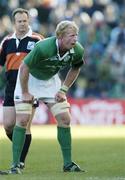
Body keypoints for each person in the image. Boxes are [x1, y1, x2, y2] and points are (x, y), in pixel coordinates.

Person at [8, 20, 85, 174]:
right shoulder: (44, 47)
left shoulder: (77, 50)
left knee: (65, 118)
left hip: (51, 81)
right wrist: (25, 92)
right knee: (23, 120)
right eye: (71, 36)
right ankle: (15, 166)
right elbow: (24, 67)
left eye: (76, 35)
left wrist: (63, 89)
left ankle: (68, 164)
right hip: (29, 79)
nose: (75, 39)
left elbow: (76, 68)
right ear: (60, 37)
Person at [0, 8, 44, 170]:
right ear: (14, 23)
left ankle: (19, 162)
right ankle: (20, 149)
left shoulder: (37, 39)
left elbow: (46, 63)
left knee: (24, 124)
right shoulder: (6, 42)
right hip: (11, 88)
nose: (22, 24)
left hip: (30, 88)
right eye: (19, 21)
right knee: (8, 125)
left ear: (28, 21)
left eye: (25, 21)